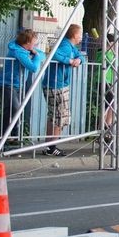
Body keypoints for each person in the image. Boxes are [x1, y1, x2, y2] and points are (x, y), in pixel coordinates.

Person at [0, 29, 45, 145]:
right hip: (7, 84)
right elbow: (33, 68)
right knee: (15, 109)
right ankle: (10, 136)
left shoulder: (25, 50)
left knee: (10, 111)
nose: (35, 45)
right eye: (34, 43)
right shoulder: (19, 52)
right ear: (27, 43)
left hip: (16, 85)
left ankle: (6, 138)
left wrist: (36, 53)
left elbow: (42, 54)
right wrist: (36, 56)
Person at [41, 24, 85, 156]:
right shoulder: (65, 46)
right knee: (60, 116)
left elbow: (80, 56)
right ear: (74, 35)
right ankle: (51, 147)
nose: (81, 37)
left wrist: (79, 60)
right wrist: (70, 61)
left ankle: (49, 145)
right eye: (80, 34)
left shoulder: (69, 46)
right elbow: (53, 55)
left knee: (54, 115)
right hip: (57, 85)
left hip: (57, 84)